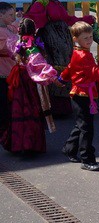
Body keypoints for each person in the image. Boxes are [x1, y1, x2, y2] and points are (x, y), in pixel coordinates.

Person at [25, 0, 96, 118]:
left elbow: (68, 19)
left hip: (63, 41)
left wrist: (84, 19)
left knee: (66, 68)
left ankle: (64, 106)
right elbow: (32, 19)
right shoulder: (41, 3)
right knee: (55, 69)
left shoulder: (56, 3)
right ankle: (54, 108)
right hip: (51, 43)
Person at [60, 22, 99, 172]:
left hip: (81, 94)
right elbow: (96, 72)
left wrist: (62, 79)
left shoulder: (79, 52)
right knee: (87, 128)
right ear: (75, 39)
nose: (89, 40)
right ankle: (87, 159)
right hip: (82, 95)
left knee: (82, 124)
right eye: (85, 38)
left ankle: (69, 148)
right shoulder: (83, 55)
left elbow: (70, 68)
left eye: (91, 37)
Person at [1, 18, 61, 153]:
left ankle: (16, 143)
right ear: (35, 31)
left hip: (19, 79)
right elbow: (40, 65)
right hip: (29, 81)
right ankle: (29, 144)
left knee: (17, 108)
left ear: (19, 30)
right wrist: (54, 77)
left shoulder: (15, 42)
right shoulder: (33, 47)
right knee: (31, 109)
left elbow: (12, 54)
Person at [0, 2, 19, 136]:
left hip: (10, 70)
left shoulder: (9, 27)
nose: (13, 17)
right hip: (3, 71)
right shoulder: (1, 31)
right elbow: (5, 48)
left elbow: (17, 27)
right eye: (10, 15)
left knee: (9, 101)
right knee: (3, 102)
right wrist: (19, 47)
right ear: (1, 15)